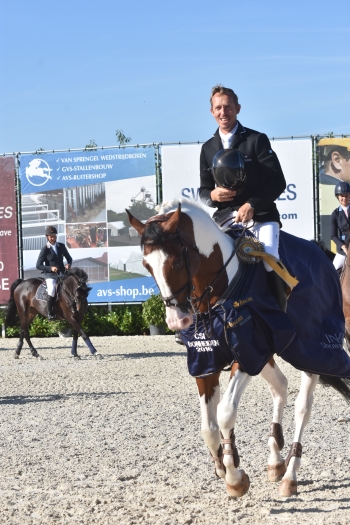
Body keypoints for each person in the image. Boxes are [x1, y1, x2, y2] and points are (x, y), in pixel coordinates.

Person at [199, 84, 287, 310]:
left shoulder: (257, 140)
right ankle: (199, 316)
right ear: (211, 111)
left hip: (261, 216)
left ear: (237, 108)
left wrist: (252, 204)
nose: (223, 112)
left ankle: (279, 312)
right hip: (225, 218)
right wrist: (213, 195)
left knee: (269, 256)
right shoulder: (208, 148)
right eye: (218, 108)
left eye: (227, 107)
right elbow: (203, 192)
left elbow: (278, 182)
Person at [36, 226, 73, 320]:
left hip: (62, 273)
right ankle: (50, 312)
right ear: (47, 237)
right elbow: (38, 265)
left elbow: (69, 258)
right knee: (52, 289)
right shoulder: (45, 249)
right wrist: (50, 268)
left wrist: (68, 264)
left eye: (54, 236)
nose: (53, 238)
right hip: (50, 275)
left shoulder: (61, 246)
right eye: (51, 236)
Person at [330, 182, 350, 272]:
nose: (344, 198)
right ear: (338, 196)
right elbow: (333, 235)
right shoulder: (335, 214)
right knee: (332, 271)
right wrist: (344, 247)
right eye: (342, 196)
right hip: (343, 250)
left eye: (346, 195)